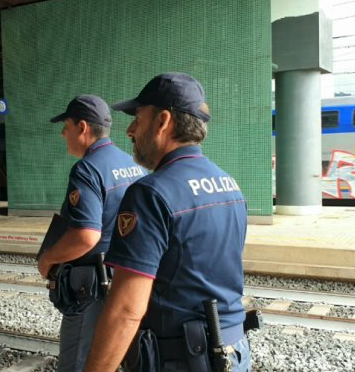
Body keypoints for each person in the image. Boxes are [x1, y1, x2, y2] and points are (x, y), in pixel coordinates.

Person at [84, 73, 250, 372]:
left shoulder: (150, 194)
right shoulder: (229, 184)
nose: (130, 130)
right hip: (233, 352)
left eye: (137, 117)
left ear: (162, 121)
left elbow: (126, 310)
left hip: (182, 359)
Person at [39, 94, 146, 372]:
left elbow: (86, 235)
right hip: (125, 279)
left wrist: (48, 260)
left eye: (66, 125)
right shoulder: (133, 166)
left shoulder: (87, 169)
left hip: (92, 285)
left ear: (82, 128)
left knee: (78, 363)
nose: (63, 133)